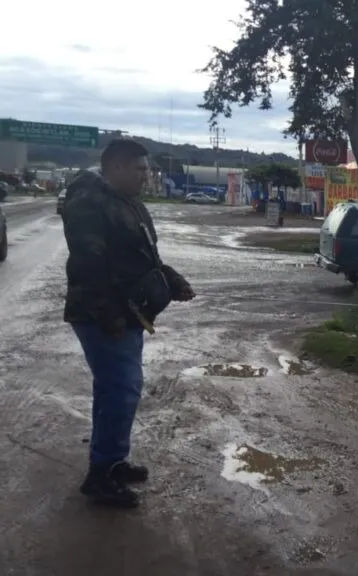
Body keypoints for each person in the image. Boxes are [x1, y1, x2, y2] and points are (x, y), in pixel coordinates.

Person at [63, 139, 195, 508]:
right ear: (116, 168)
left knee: (111, 392)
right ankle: (101, 476)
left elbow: (143, 255)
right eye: (140, 169)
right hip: (103, 316)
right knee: (123, 391)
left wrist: (171, 278)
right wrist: (112, 319)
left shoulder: (127, 203)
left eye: (146, 168)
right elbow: (88, 267)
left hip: (129, 313)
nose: (146, 175)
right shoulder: (89, 203)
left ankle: (110, 461)